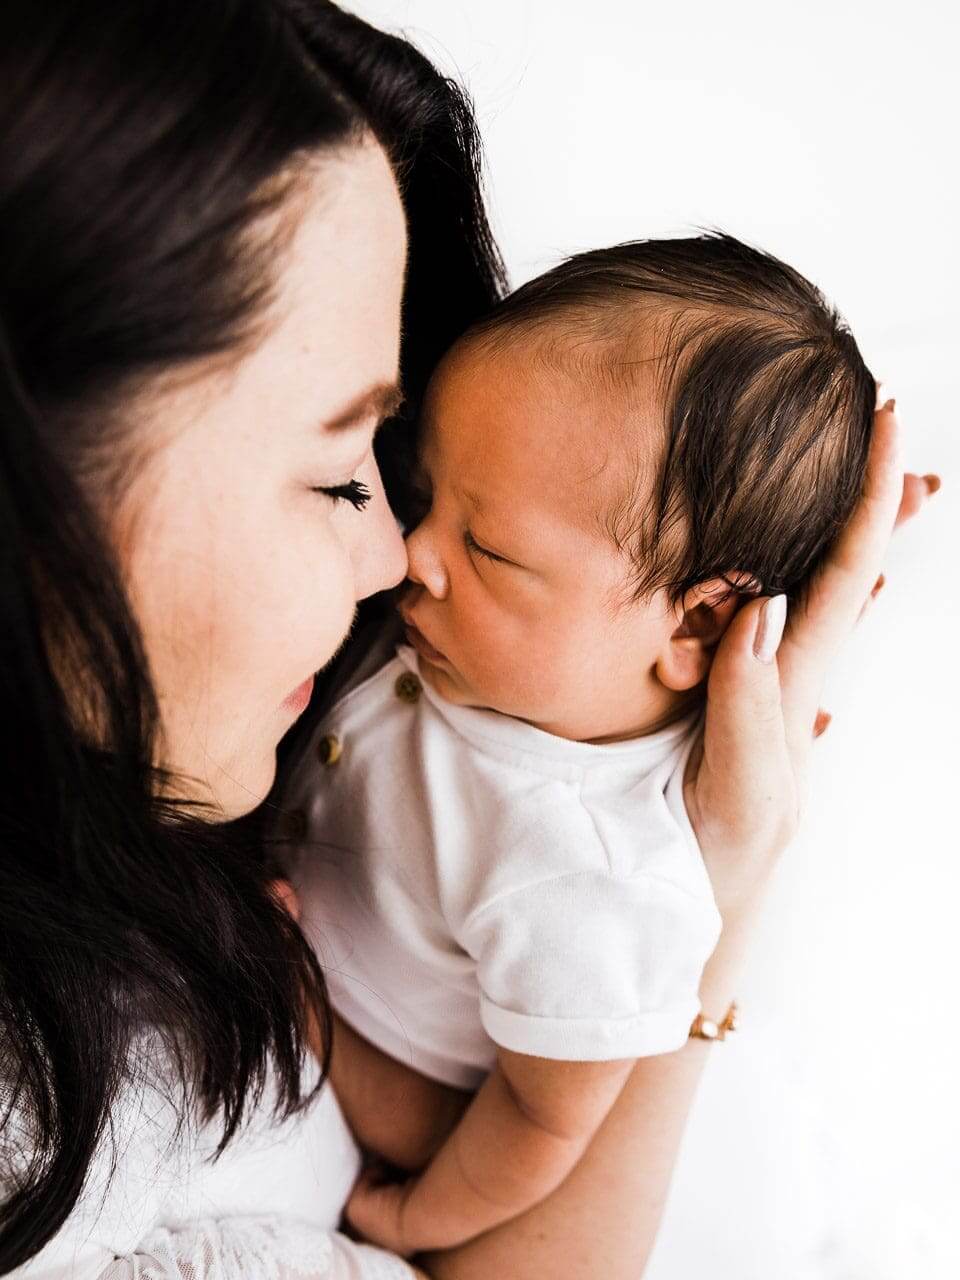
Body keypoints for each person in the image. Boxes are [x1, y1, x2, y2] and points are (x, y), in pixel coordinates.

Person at [0, 2, 936, 1279]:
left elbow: (540, 1113)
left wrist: (723, 864)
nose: (396, 561)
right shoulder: (61, 1130)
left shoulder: (576, 860)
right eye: (343, 477)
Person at [280, 234, 879, 1255]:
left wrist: (413, 1211)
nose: (410, 553)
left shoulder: (597, 875)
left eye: (486, 546)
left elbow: (542, 1120)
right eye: (428, 494)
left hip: (386, 1076)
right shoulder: (485, 648)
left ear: (695, 624)